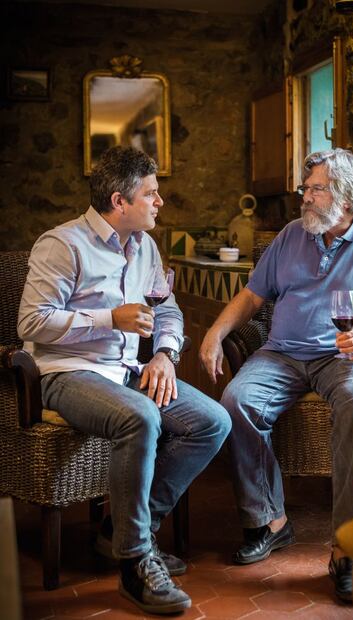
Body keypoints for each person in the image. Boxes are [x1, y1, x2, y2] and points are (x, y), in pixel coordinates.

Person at [18, 146, 232, 616]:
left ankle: (122, 533)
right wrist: (108, 318)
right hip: (67, 372)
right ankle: (135, 563)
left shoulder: (147, 247)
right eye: (151, 194)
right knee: (139, 417)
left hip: (128, 371)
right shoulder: (62, 244)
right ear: (120, 200)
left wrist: (164, 353)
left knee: (213, 420)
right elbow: (31, 323)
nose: (160, 202)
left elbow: (166, 309)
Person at [199, 148, 353, 603]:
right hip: (282, 355)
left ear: (348, 197)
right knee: (236, 401)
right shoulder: (292, 234)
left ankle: (348, 546)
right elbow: (254, 296)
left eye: (317, 189)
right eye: (307, 187)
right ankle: (270, 521)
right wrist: (216, 333)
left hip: (349, 357)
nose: (306, 196)